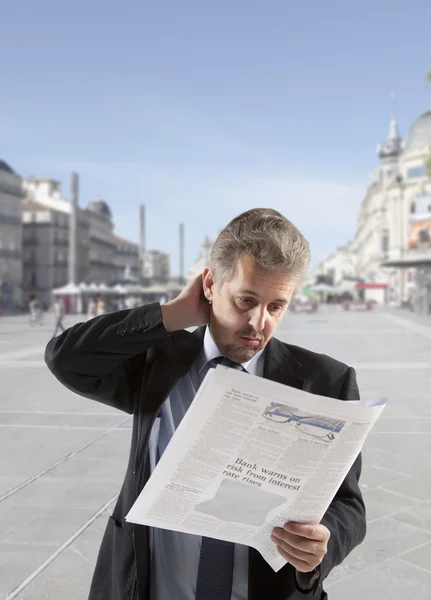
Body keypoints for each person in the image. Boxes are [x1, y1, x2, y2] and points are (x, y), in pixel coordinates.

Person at [44, 208, 366, 600]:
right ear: (211, 285)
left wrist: (323, 543)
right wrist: (171, 315)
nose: (258, 322)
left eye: (276, 306)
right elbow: (67, 359)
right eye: (245, 300)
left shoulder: (327, 382)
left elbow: (348, 506)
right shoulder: (159, 360)